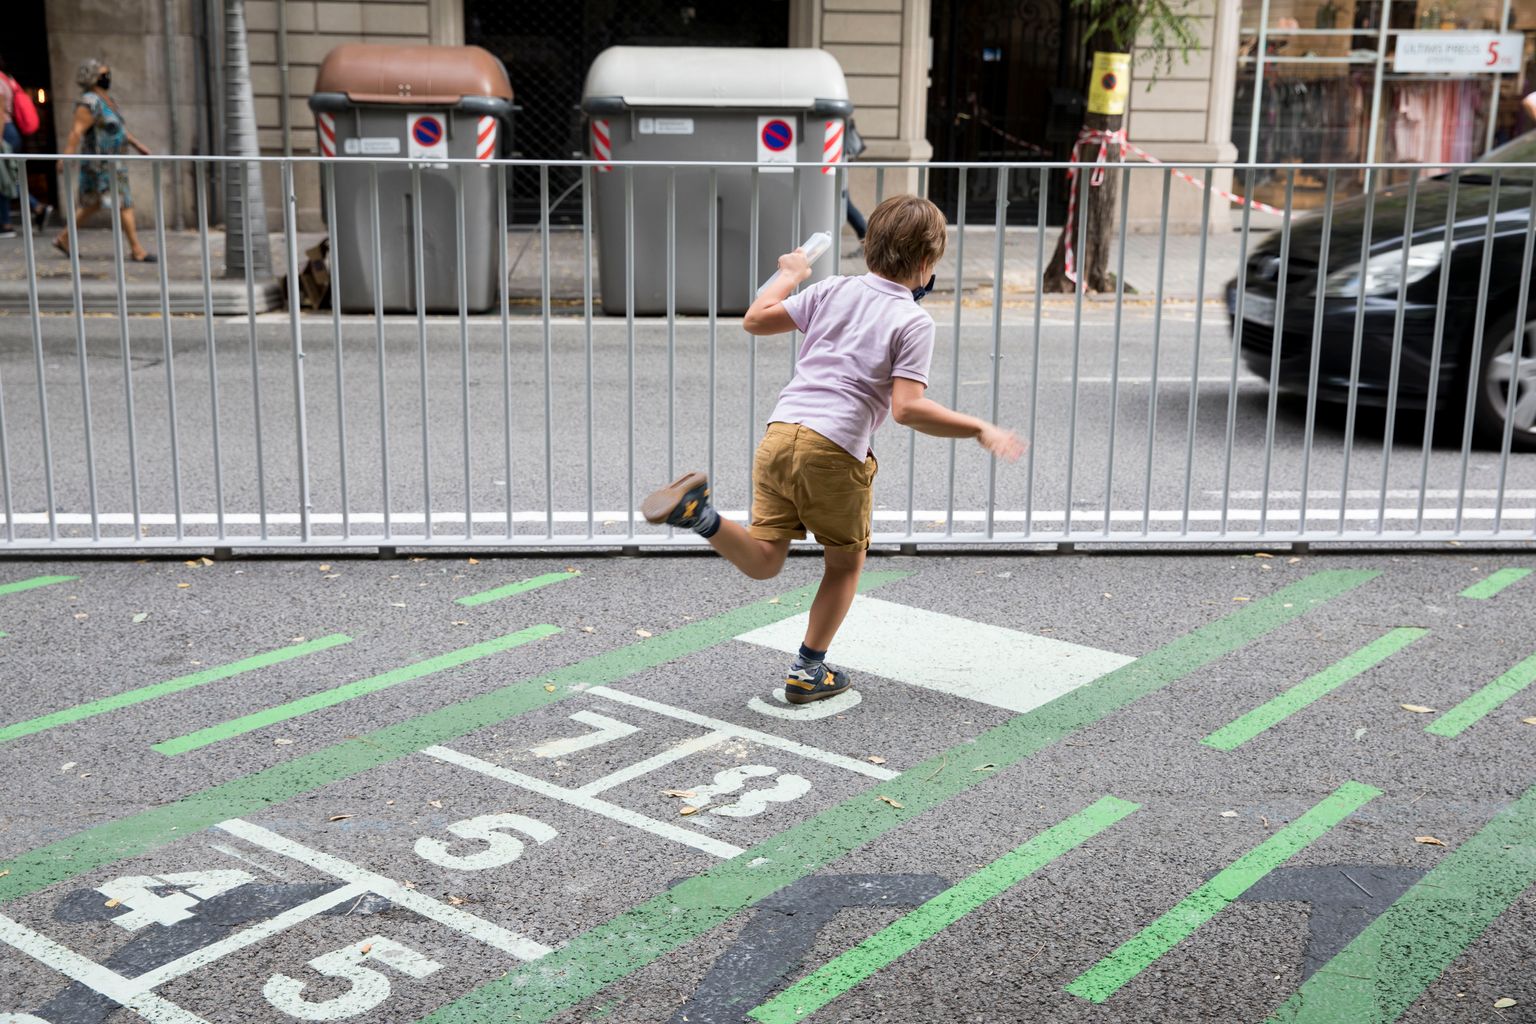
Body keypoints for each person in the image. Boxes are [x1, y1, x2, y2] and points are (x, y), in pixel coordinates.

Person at [641, 194, 1026, 705]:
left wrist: (792, 272)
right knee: (844, 563)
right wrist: (978, 427)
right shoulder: (913, 322)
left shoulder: (833, 289)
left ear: (868, 249)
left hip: (780, 435)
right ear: (929, 264)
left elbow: (756, 319)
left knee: (764, 560)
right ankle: (807, 670)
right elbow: (908, 409)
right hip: (835, 448)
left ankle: (701, 515)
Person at [53, 58, 155, 262]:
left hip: (113, 162)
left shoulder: (108, 100)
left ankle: (63, 238)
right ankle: (137, 249)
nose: (107, 78)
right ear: (93, 78)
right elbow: (76, 132)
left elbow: (118, 129)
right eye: (103, 74)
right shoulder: (89, 102)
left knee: (92, 204)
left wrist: (137, 144)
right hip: (100, 164)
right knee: (124, 202)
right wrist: (65, 157)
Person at [0, 56, 50, 238]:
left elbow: (0, 112)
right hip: (7, 131)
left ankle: (6, 224)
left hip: (4, 133)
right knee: (8, 177)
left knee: (4, 177)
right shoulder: (6, 79)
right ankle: (36, 207)